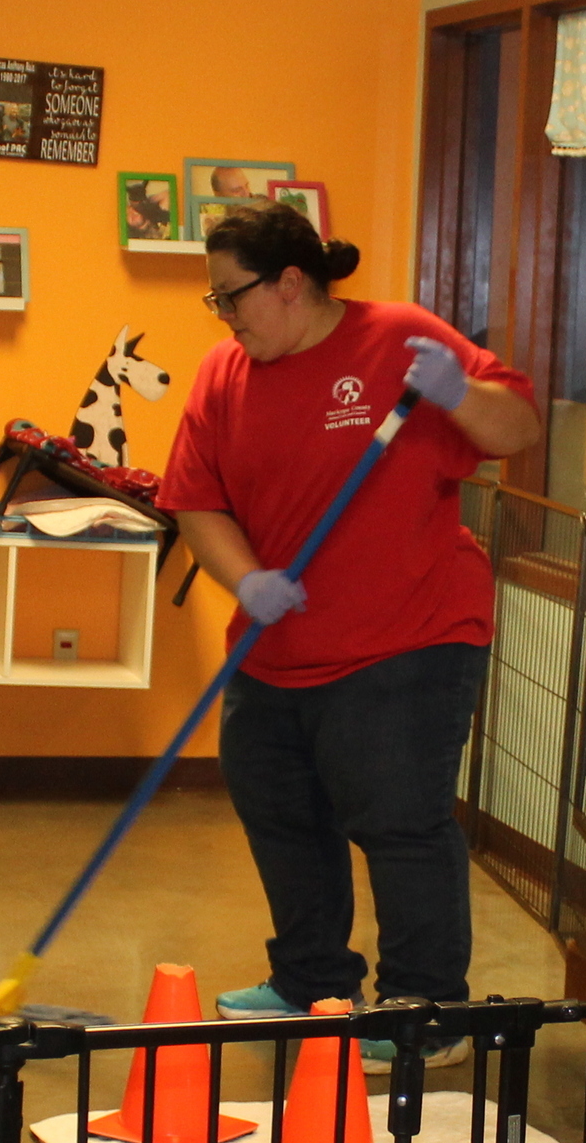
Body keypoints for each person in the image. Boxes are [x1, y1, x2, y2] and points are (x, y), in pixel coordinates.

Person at [156, 202, 540, 1065]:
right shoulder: (223, 375)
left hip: (409, 633)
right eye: (213, 300)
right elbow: (193, 501)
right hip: (278, 644)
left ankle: (425, 1007)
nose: (222, 315)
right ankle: (310, 982)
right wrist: (244, 579)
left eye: (231, 296)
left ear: (290, 284)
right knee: (278, 810)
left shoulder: (395, 339)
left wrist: (458, 393)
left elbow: (517, 430)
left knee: (398, 819)